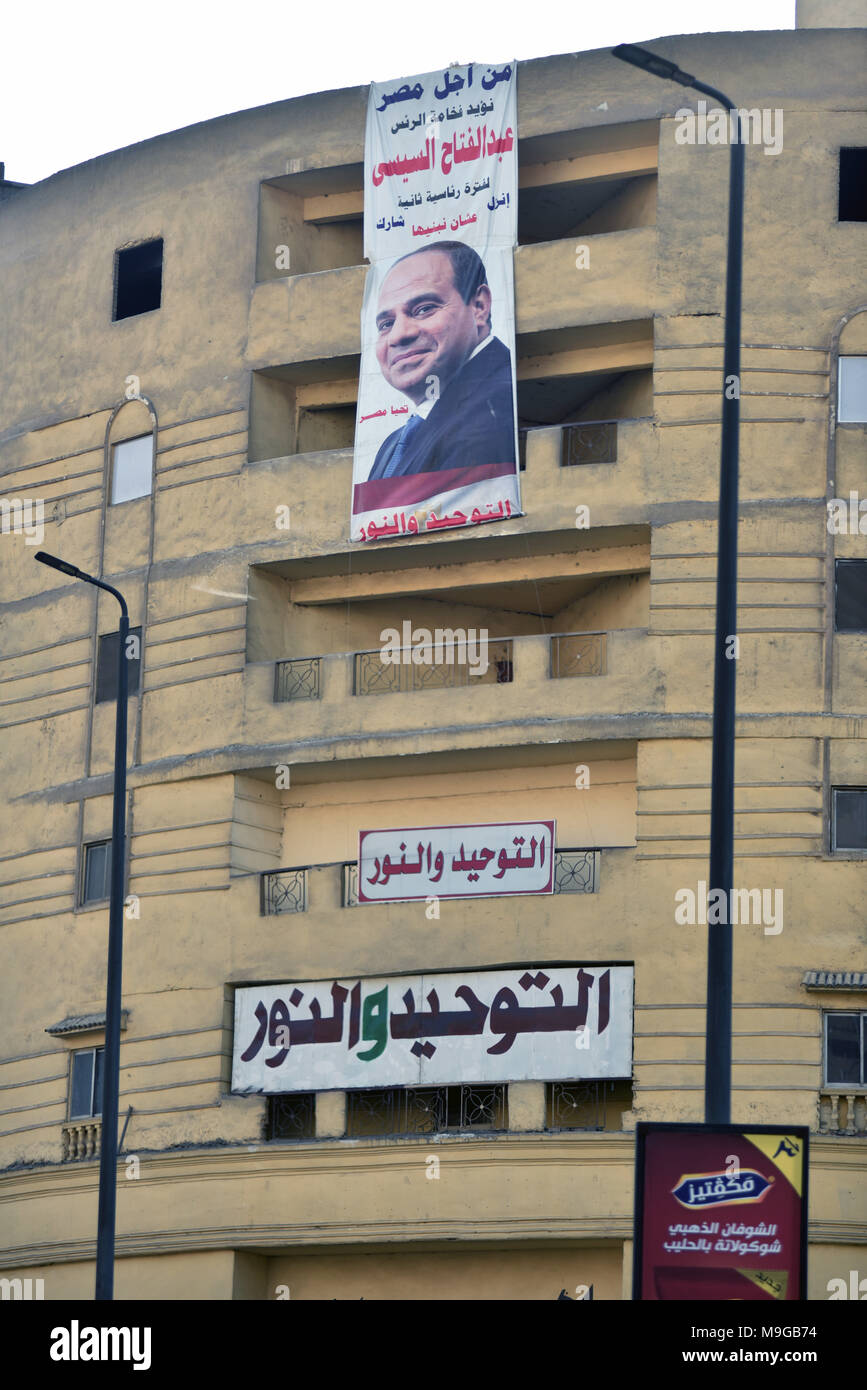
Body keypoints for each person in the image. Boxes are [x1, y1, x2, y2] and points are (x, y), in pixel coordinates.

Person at [367, 242, 516, 480]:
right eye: (386, 324)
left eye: (424, 309)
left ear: (479, 306)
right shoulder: (393, 445)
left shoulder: (503, 403)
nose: (398, 335)